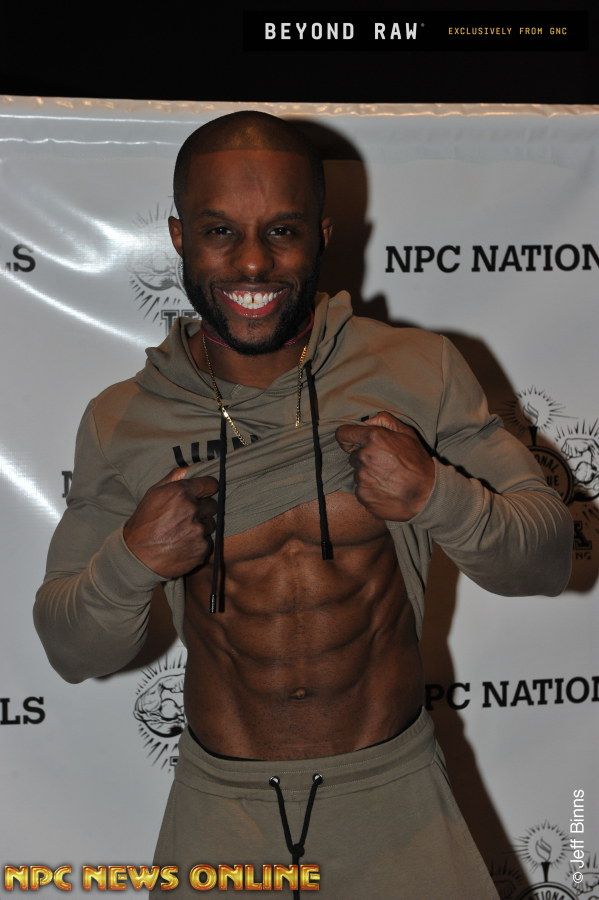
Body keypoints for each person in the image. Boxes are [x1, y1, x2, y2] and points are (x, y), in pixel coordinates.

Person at [34, 110, 572, 899]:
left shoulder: (416, 371)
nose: (253, 261)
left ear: (320, 235)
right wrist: (131, 562)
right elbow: (70, 647)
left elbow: (547, 558)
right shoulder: (124, 419)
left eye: (281, 231)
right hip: (222, 814)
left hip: (396, 801)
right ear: (180, 238)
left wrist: (435, 494)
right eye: (220, 231)